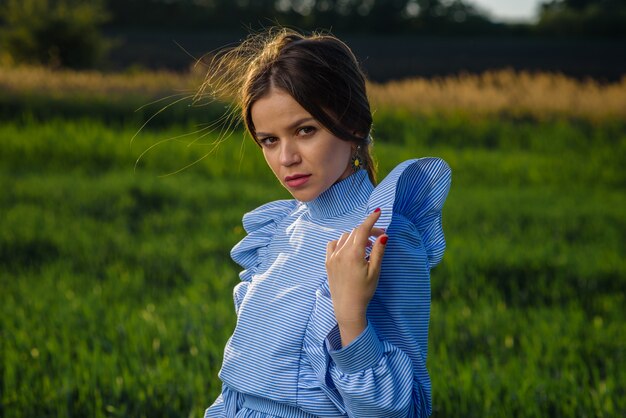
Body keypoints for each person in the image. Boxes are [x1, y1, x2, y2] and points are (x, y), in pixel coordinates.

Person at [200, 28, 451, 418]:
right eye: (268, 140)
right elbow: (238, 392)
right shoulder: (278, 229)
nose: (286, 158)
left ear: (353, 125)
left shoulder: (386, 237)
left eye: (305, 131)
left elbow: (402, 409)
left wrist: (350, 316)